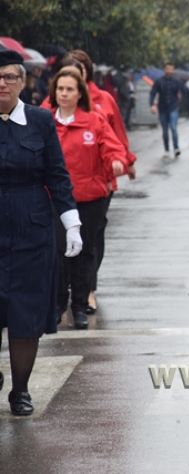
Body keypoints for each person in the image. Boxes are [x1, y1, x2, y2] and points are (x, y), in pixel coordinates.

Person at [0, 50, 83, 415]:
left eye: (9, 77)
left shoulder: (39, 121)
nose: (2, 84)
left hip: (32, 230)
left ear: (23, 82)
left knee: (26, 314)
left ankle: (20, 390)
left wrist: (71, 222)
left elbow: (57, 174)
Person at [48, 66, 128, 329]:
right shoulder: (45, 120)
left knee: (85, 252)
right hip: (57, 200)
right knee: (59, 253)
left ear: (79, 93)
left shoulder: (94, 121)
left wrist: (117, 161)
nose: (64, 94)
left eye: (70, 89)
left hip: (89, 197)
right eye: (60, 89)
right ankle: (59, 303)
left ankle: (80, 306)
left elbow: (111, 145)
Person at [65, 50, 137, 315]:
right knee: (64, 240)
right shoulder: (53, 103)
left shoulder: (103, 100)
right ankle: (68, 291)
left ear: (87, 73)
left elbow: (116, 134)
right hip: (65, 185)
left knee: (91, 237)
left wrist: (125, 161)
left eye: (79, 70)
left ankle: (88, 290)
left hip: (99, 182)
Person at [150, 62, 189, 159]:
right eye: (167, 69)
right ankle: (167, 150)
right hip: (162, 108)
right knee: (165, 131)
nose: (169, 71)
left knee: (173, 128)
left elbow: (187, 92)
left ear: (173, 70)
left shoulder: (177, 81)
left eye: (171, 69)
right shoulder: (159, 82)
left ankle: (176, 148)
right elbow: (152, 93)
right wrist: (152, 105)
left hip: (173, 108)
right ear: (165, 70)